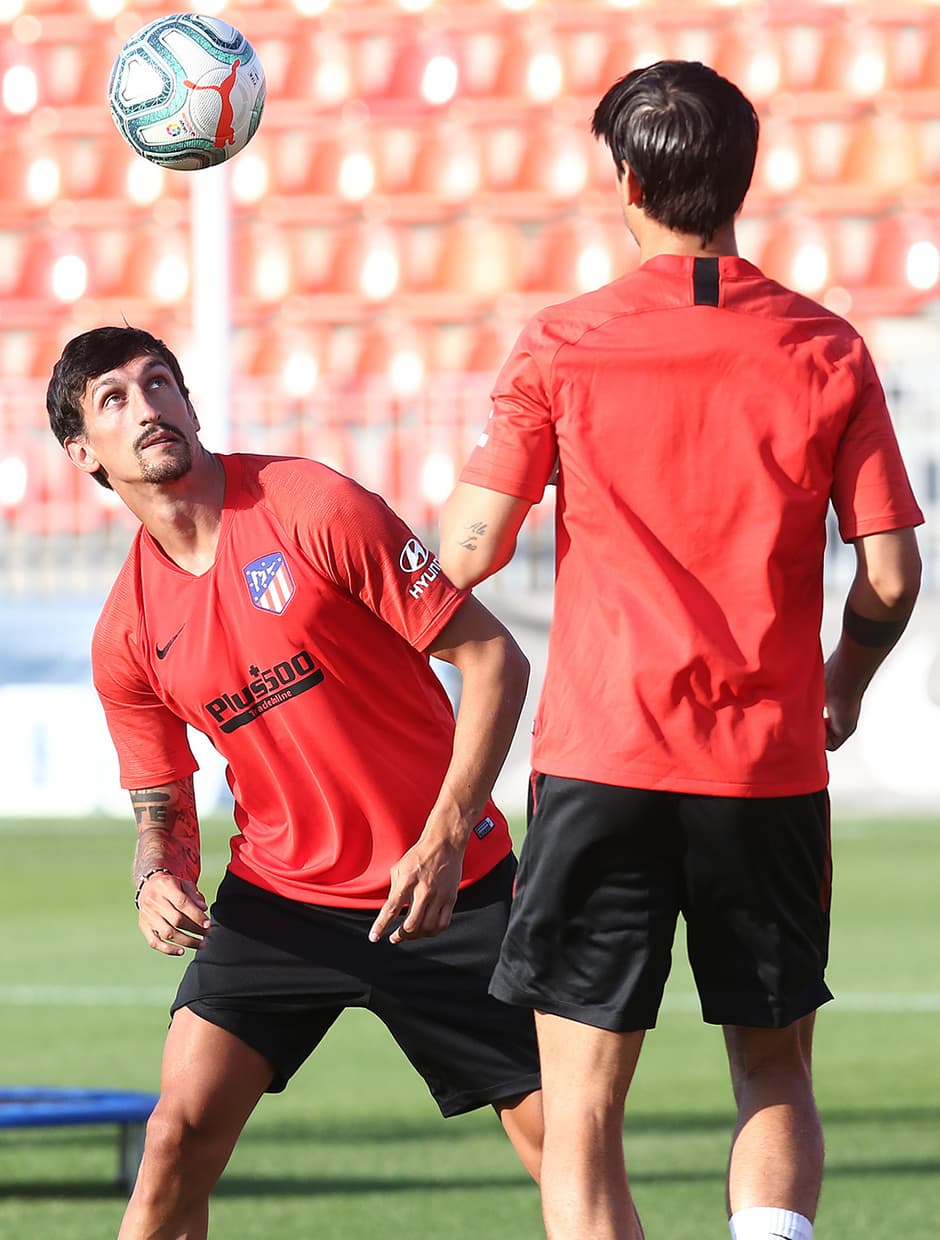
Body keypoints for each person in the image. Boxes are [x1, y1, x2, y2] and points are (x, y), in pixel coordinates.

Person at [439, 59, 923, 1240]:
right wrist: (841, 689)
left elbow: (466, 551)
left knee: (587, 1109)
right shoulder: (826, 348)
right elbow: (892, 573)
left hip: (606, 752)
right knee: (772, 1069)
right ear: (742, 181)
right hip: (762, 764)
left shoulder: (561, 343)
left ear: (622, 180)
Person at [46, 324, 543, 1240]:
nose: (147, 404)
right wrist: (157, 873)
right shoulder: (125, 633)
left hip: (447, 887)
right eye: (114, 397)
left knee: (568, 1150)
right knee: (172, 1143)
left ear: (191, 406)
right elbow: (161, 800)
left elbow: (493, 659)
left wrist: (442, 838)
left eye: (160, 382)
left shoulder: (308, 503)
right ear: (82, 453)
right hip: (282, 904)